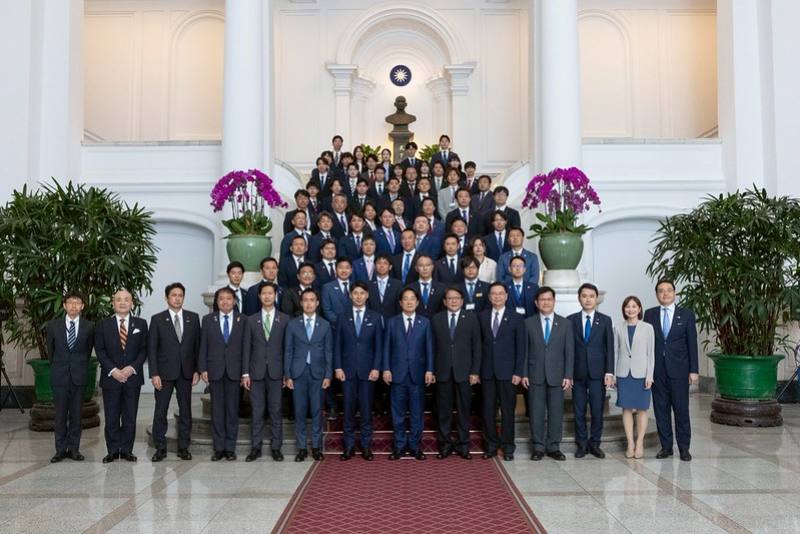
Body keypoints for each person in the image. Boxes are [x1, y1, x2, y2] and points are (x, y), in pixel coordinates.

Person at [644, 279, 698, 462]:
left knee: (681, 410)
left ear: (674, 293)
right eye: (661, 291)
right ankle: (666, 447)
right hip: (657, 371)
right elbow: (646, 344)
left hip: (679, 371)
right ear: (656, 294)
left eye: (668, 290)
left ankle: (684, 448)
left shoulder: (686, 314)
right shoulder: (650, 314)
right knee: (661, 410)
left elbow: (692, 343)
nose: (665, 293)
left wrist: (694, 370)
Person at [147, 283, 200, 462]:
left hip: (186, 372)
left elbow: (197, 346)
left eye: (180, 295)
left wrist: (197, 370)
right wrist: (154, 373)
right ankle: (160, 448)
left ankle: (183, 447)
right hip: (163, 373)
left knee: (186, 411)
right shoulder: (157, 319)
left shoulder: (193, 318)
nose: (177, 298)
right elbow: (152, 349)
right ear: (167, 298)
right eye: (173, 295)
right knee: (160, 411)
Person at [95, 289, 149, 463]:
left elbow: (144, 350)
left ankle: (126, 450)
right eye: (118, 299)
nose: (123, 302)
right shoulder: (103, 324)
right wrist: (114, 371)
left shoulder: (141, 324)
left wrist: (131, 368)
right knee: (111, 417)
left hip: (132, 378)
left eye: (126, 299)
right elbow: (100, 351)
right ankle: (112, 450)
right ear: (113, 303)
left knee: (130, 417)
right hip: (111, 378)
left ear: (132, 303)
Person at [383, 288, 435, 460]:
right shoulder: (392, 322)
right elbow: (386, 347)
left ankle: (414, 446)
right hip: (397, 374)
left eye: (412, 298)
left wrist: (429, 370)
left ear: (418, 302)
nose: (409, 302)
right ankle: (399, 446)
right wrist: (386, 369)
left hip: (417, 375)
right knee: (397, 413)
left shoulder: (425, 322)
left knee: (416, 413)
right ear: (400, 303)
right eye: (405, 299)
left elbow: (429, 348)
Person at [523, 287, 574, 461]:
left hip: (557, 375)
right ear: (536, 303)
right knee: (536, 412)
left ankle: (553, 447)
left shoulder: (565, 324)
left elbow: (569, 352)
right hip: (534, 374)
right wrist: (524, 373)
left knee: (556, 412)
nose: (546, 302)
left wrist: (568, 375)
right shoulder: (528, 323)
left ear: (554, 301)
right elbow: (524, 351)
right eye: (542, 299)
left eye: (549, 299)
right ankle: (538, 447)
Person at [334, 281, 383, 460]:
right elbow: (337, 345)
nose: (359, 296)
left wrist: (376, 367)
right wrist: (337, 367)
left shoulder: (375, 317)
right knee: (348, 410)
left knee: (366, 410)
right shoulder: (342, 317)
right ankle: (348, 447)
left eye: (362, 293)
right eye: (355, 293)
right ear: (350, 295)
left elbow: (379, 346)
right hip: (346, 371)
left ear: (367, 295)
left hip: (368, 371)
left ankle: (366, 445)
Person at [432, 287, 481, 459]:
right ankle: (444, 444)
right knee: (444, 410)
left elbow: (477, 346)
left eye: (457, 298)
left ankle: (463, 445)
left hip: (465, 372)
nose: (453, 301)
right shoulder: (436, 319)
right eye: (450, 298)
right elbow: (432, 347)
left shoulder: (471, 318)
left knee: (463, 410)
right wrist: (432, 370)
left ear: (462, 301)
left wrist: (475, 371)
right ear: (444, 301)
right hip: (442, 371)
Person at [242, 282, 289, 462]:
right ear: (259, 296)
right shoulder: (251, 320)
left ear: (275, 296)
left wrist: (286, 373)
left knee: (276, 411)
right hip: (256, 372)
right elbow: (246, 348)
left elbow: (287, 349)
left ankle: (276, 447)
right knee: (257, 411)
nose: (267, 296)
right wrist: (245, 373)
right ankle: (256, 447)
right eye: (264, 293)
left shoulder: (284, 319)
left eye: (270, 293)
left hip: (277, 373)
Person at [285, 289, 333, 462]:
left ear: (317, 303)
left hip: (318, 374)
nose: (309, 303)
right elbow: (288, 351)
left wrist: (328, 375)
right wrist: (288, 375)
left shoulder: (325, 325)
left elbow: (328, 352)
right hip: (298, 373)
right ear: (301, 303)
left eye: (312, 300)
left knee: (316, 411)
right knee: (299, 412)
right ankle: (301, 448)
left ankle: (316, 447)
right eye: (305, 300)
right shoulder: (293, 324)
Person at [46, 291, 94, 463]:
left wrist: (77, 366)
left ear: (82, 306)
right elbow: (51, 351)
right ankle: (60, 450)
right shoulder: (53, 325)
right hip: (59, 377)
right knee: (59, 415)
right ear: (64, 305)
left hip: (79, 377)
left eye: (77, 302)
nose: (74, 305)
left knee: (76, 415)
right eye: (70, 302)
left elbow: (87, 351)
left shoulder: (89, 326)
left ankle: (74, 449)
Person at [567, 283, 614, 459]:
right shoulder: (570, 320)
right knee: (578, 411)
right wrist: (568, 373)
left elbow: (609, 348)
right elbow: (568, 349)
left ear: (596, 299)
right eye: (584, 296)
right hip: (577, 374)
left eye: (591, 296)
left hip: (598, 374)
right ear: (579, 298)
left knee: (597, 411)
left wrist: (609, 372)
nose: (588, 299)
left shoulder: (605, 320)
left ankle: (595, 444)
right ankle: (581, 445)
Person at [479, 283, 525, 460]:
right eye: (493, 294)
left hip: (508, 373)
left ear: (506, 296)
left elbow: (521, 348)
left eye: (500, 293)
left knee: (507, 412)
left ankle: (508, 447)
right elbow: (478, 346)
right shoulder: (482, 317)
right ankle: (490, 446)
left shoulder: (516, 318)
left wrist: (518, 372)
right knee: (488, 411)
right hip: (487, 372)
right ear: (489, 297)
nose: (497, 296)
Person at [199, 287, 245, 461]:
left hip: (235, 371)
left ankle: (230, 448)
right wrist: (203, 369)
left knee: (232, 411)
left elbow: (245, 348)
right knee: (217, 411)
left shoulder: (243, 320)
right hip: (215, 370)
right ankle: (218, 448)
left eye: (228, 298)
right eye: (221, 299)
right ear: (217, 302)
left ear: (234, 301)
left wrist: (245, 372)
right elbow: (203, 345)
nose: (225, 301)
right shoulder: (208, 320)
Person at [615, 295, 655, 459]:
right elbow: (615, 352)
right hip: (624, 373)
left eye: (634, 306)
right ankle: (630, 442)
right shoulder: (618, 327)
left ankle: (640, 443)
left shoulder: (648, 328)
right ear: (624, 309)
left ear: (639, 309)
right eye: (627, 306)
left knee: (642, 409)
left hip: (641, 374)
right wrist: (614, 375)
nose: (630, 309)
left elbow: (651, 353)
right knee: (626, 408)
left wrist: (650, 375)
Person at [367, 254, 402, 322]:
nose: (382, 266)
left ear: (390, 267)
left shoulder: (397, 284)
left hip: (392, 321)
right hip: (373, 322)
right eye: (379, 263)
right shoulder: (368, 285)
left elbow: (399, 306)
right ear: (375, 266)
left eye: (385, 263)